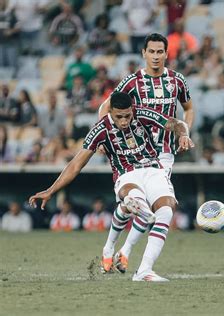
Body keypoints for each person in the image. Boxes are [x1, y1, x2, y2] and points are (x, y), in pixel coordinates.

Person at [29, 92, 194, 282]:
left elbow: (177, 123)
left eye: (127, 116)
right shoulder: (101, 129)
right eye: (119, 117)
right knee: (135, 198)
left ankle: (144, 270)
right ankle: (116, 235)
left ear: (132, 110)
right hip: (126, 174)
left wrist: (183, 135)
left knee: (166, 209)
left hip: (153, 169)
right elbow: (76, 164)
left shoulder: (143, 114)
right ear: (110, 112)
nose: (124, 121)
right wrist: (51, 190)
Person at [97, 33, 194, 263]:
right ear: (144, 53)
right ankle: (116, 249)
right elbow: (105, 107)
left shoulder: (177, 80)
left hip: (164, 153)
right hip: (134, 153)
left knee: (151, 206)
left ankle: (125, 252)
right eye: (151, 51)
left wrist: (185, 133)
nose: (156, 56)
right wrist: (104, 138)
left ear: (166, 54)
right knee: (138, 204)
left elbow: (188, 109)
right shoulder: (131, 82)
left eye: (160, 52)